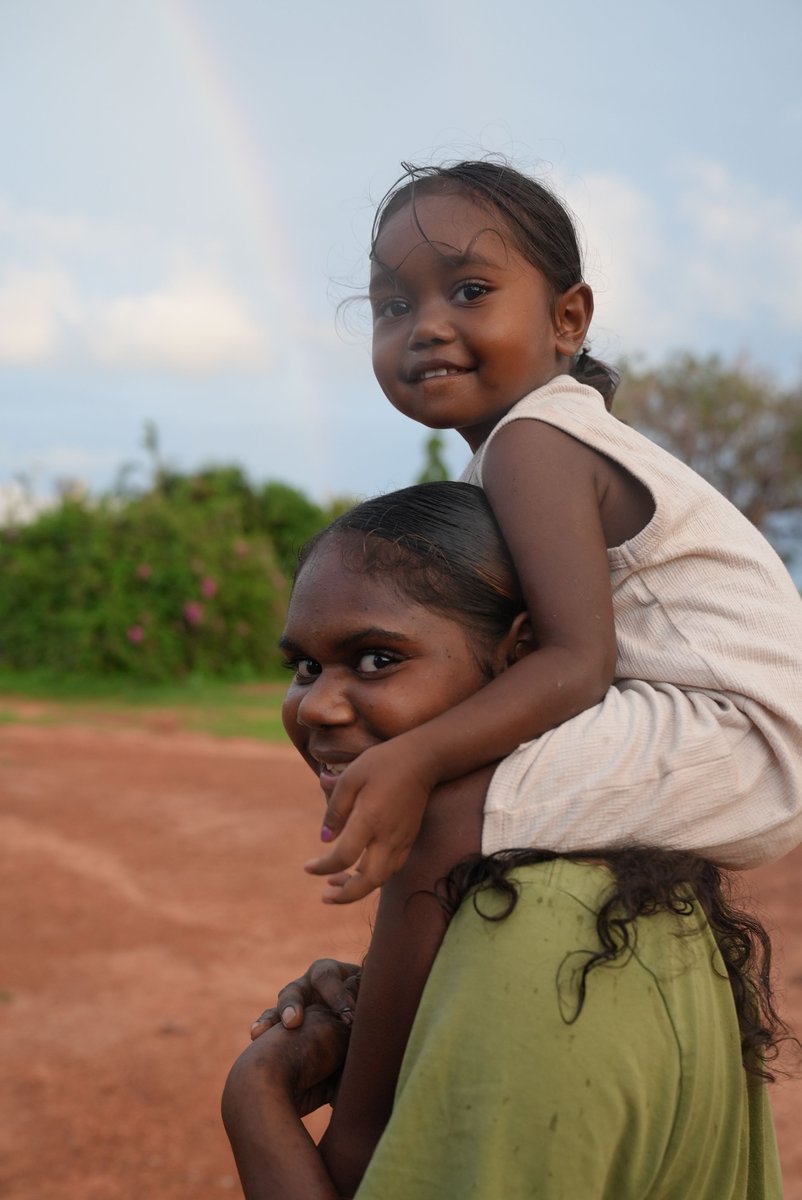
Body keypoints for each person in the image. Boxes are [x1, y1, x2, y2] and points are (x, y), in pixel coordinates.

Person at [222, 482, 785, 1199]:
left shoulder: (546, 945)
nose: (316, 708)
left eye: (375, 660)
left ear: (521, 659)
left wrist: (257, 1098)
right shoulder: (601, 894)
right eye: (305, 666)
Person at [304, 159, 802, 905]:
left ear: (567, 319)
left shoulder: (535, 441)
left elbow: (578, 660)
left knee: (440, 818)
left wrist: (419, 757)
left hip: (741, 734)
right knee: (467, 797)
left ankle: (379, 1027)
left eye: (470, 291)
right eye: (393, 305)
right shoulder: (523, 449)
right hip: (711, 724)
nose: (427, 326)